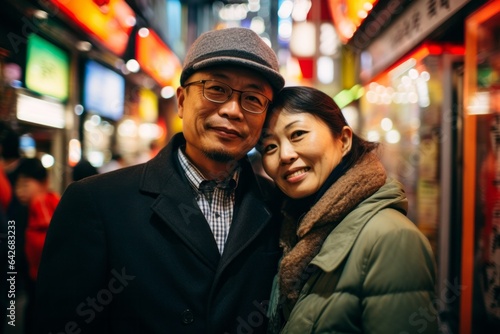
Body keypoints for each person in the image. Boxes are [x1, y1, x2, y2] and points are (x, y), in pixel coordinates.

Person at [35, 27, 285, 334]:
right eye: (216, 89)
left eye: (253, 98)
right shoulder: (97, 201)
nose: (232, 110)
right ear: (181, 101)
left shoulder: (279, 203)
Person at [258, 86, 438, 333]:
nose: (285, 155)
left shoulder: (391, 238)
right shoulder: (291, 230)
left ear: (343, 140)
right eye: (269, 147)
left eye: (297, 134)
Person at [14, 157, 60, 334]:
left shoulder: (43, 206)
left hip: (43, 284)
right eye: (18, 185)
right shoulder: (23, 210)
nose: (20, 191)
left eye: (25, 184)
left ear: (44, 182)